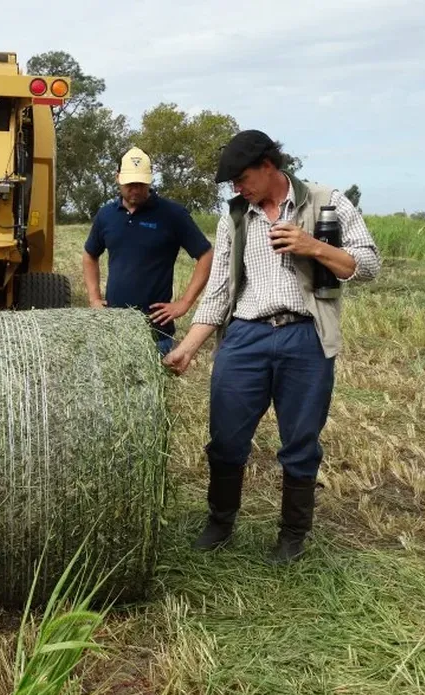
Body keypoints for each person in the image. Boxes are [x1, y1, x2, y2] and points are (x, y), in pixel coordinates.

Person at [163, 130, 381, 563]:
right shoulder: (235, 217)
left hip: (306, 335)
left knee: (300, 443)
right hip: (246, 336)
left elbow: (370, 266)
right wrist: (188, 346)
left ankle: (292, 536)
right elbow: (221, 289)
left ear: (269, 166)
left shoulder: (328, 201)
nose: (236, 188)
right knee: (225, 439)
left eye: (241, 178)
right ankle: (220, 522)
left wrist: (313, 246)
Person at [83, 147, 213, 356]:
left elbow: (206, 254)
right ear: (118, 178)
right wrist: (94, 298)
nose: (135, 188)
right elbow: (90, 254)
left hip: (156, 335)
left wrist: (185, 303)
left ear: (150, 180)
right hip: (112, 330)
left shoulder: (173, 214)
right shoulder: (106, 215)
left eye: (141, 183)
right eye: (130, 183)